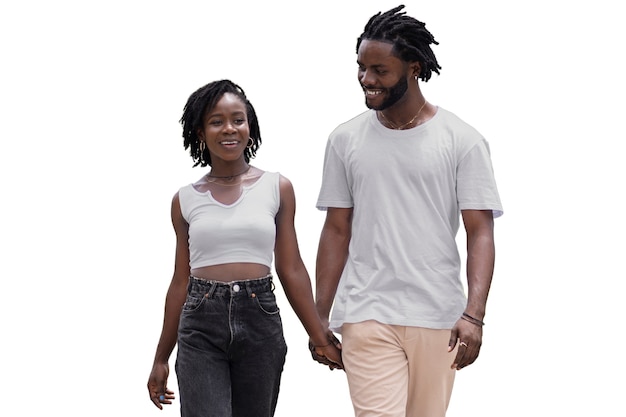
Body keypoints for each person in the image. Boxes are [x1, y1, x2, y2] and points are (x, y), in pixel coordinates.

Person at [311, 5, 503, 417]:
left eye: (380, 70)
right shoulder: (344, 140)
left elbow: (480, 233)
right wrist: (319, 317)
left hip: (437, 313)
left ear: (414, 67)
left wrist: (475, 315)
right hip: (366, 310)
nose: (366, 79)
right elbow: (336, 230)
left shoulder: (462, 140)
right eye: (361, 67)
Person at [147, 79, 342, 417]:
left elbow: (291, 268)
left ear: (250, 127)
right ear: (200, 132)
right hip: (200, 323)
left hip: (260, 319)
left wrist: (319, 335)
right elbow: (180, 281)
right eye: (216, 121)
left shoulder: (277, 187)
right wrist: (161, 357)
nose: (229, 129)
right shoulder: (184, 200)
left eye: (238, 119)